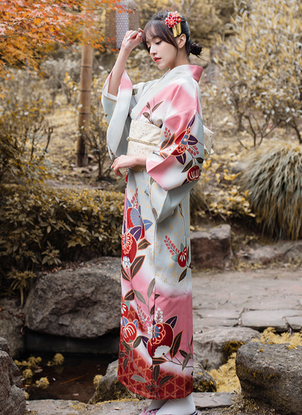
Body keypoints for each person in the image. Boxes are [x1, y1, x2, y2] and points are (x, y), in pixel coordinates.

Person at [102, 10, 207, 415]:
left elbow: (189, 152)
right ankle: (157, 389)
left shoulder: (185, 87)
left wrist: (135, 161)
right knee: (141, 292)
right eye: (147, 45)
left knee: (166, 294)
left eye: (157, 42)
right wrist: (124, 53)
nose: (152, 50)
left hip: (162, 206)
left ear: (179, 40)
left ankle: (180, 396)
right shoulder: (156, 84)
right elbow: (116, 102)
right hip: (138, 202)